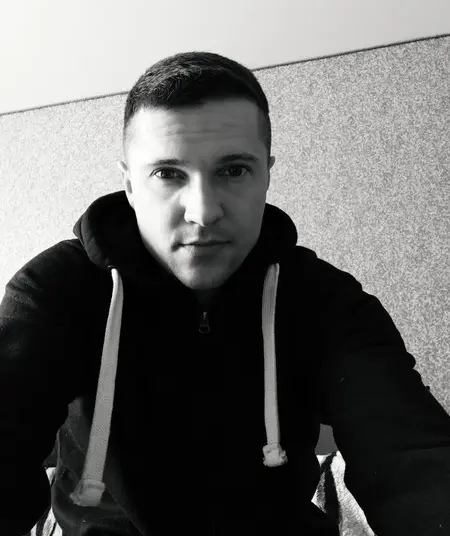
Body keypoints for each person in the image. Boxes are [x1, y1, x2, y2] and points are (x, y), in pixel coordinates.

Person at [1, 51, 450, 536]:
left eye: (233, 170)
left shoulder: (322, 297)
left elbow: (411, 455)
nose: (204, 212)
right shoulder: (60, 287)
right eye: (168, 173)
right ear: (129, 185)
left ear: (266, 174)